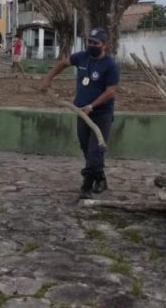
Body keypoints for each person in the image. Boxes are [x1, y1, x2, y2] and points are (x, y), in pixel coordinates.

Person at [41, 28, 120, 200]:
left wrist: (92, 105)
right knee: (86, 149)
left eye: (95, 43)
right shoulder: (81, 57)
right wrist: (48, 78)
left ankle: (87, 186)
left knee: (95, 150)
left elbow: (111, 91)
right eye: (90, 42)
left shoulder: (110, 66)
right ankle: (100, 178)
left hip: (101, 114)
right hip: (81, 111)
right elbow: (63, 63)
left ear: (104, 45)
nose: (91, 46)